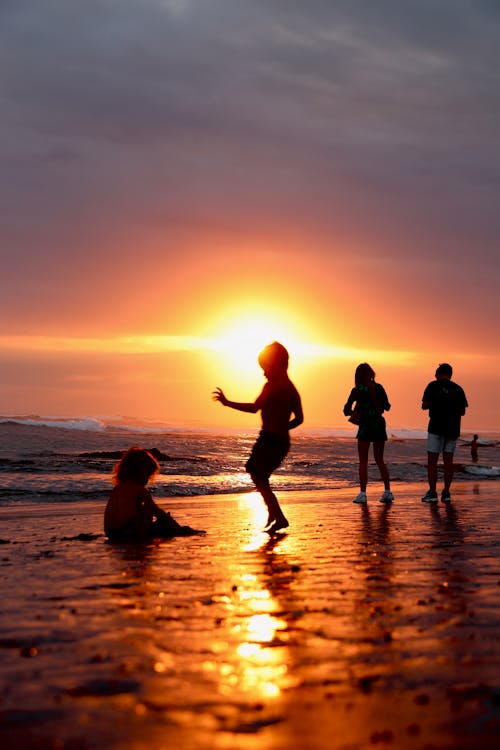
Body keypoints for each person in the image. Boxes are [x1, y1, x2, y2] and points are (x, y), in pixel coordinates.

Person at [212, 341, 303, 533]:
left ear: (277, 365)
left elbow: (254, 408)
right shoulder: (292, 389)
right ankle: (273, 512)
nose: (263, 373)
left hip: (269, 439)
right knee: (260, 475)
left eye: (265, 368)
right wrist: (284, 427)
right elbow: (300, 419)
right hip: (281, 440)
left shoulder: (272, 385)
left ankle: (279, 517)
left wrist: (227, 403)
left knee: (255, 471)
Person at [104, 447, 204, 541]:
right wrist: (177, 528)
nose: (147, 480)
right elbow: (156, 511)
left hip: (111, 532)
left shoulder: (118, 488)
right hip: (128, 533)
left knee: (148, 514)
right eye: (147, 475)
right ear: (138, 473)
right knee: (149, 510)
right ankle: (174, 529)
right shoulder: (140, 490)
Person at [343, 363, 393, 504]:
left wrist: (355, 413)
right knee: (379, 460)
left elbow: (346, 409)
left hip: (365, 426)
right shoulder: (379, 387)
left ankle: (363, 494)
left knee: (363, 461)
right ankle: (387, 491)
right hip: (378, 424)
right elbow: (387, 407)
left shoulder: (357, 390)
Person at [421, 363, 468, 504]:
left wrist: (436, 404)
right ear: (450, 374)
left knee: (432, 462)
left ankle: (433, 492)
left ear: (439, 373)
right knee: (448, 463)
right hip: (452, 429)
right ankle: (446, 492)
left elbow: (424, 405)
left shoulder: (432, 386)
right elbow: (462, 411)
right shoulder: (458, 389)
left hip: (436, 427)